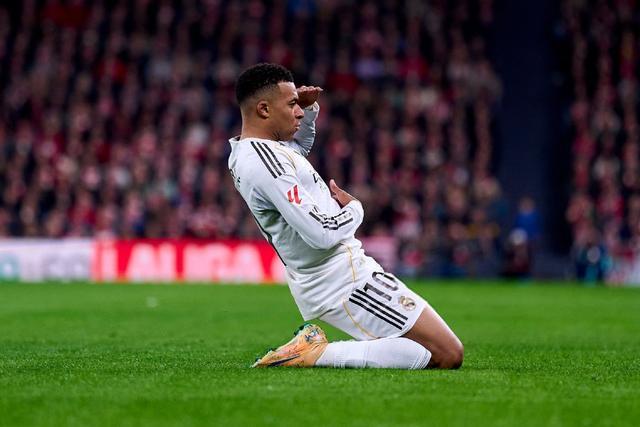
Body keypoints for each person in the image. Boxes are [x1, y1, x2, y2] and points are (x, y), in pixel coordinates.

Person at [228, 63, 463, 369]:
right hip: (339, 279)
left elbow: (297, 153)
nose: (298, 112)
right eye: (291, 104)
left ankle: (315, 352)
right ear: (263, 109)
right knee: (446, 354)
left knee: (439, 351)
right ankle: (314, 353)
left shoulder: (259, 152)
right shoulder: (263, 163)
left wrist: (308, 110)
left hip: (339, 271)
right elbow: (322, 234)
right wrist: (355, 208)